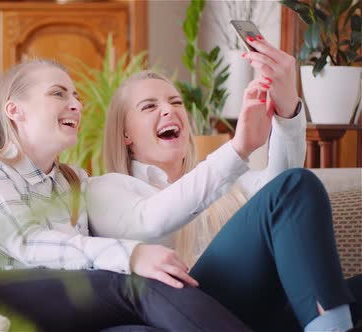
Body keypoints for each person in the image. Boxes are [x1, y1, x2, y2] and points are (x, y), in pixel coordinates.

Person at [0, 59, 251, 331]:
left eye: (76, 96)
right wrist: (131, 255)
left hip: (65, 306)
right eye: (58, 93)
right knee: (139, 286)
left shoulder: (75, 182)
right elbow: (27, 242)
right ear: (15, 110)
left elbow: (149, 214)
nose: (76, 104)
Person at [87, 35, 361, 331]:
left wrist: (286, 106)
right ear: (125, 134)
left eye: (175, 101)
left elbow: (285, 191)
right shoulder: (106, 188)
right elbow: (150, 221)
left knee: (296, 187)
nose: (169, 110)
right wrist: (238, 148)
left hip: (258, 311)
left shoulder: (229, 182)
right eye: (149, 106)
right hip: (188, 312)